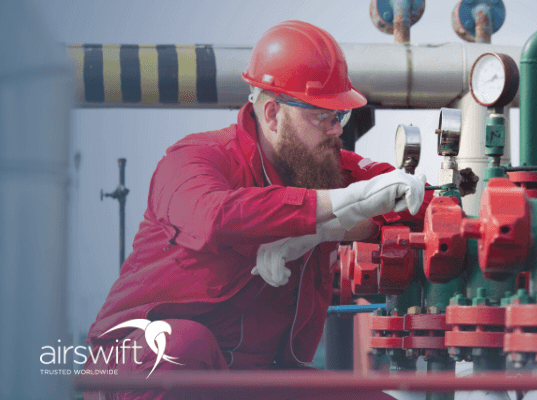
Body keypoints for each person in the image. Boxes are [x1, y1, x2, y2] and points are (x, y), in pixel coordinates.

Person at [81, 20, 431, 400]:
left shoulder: (325, 170)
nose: (336, 130)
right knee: (182, 348)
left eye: (339, 116)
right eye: (321, 116)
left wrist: (327, 229)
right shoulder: (195, 160)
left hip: (252, 378)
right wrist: (335, 207)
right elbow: (213, 217)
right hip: (137, 369)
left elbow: (421, 202)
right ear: (271, 115)